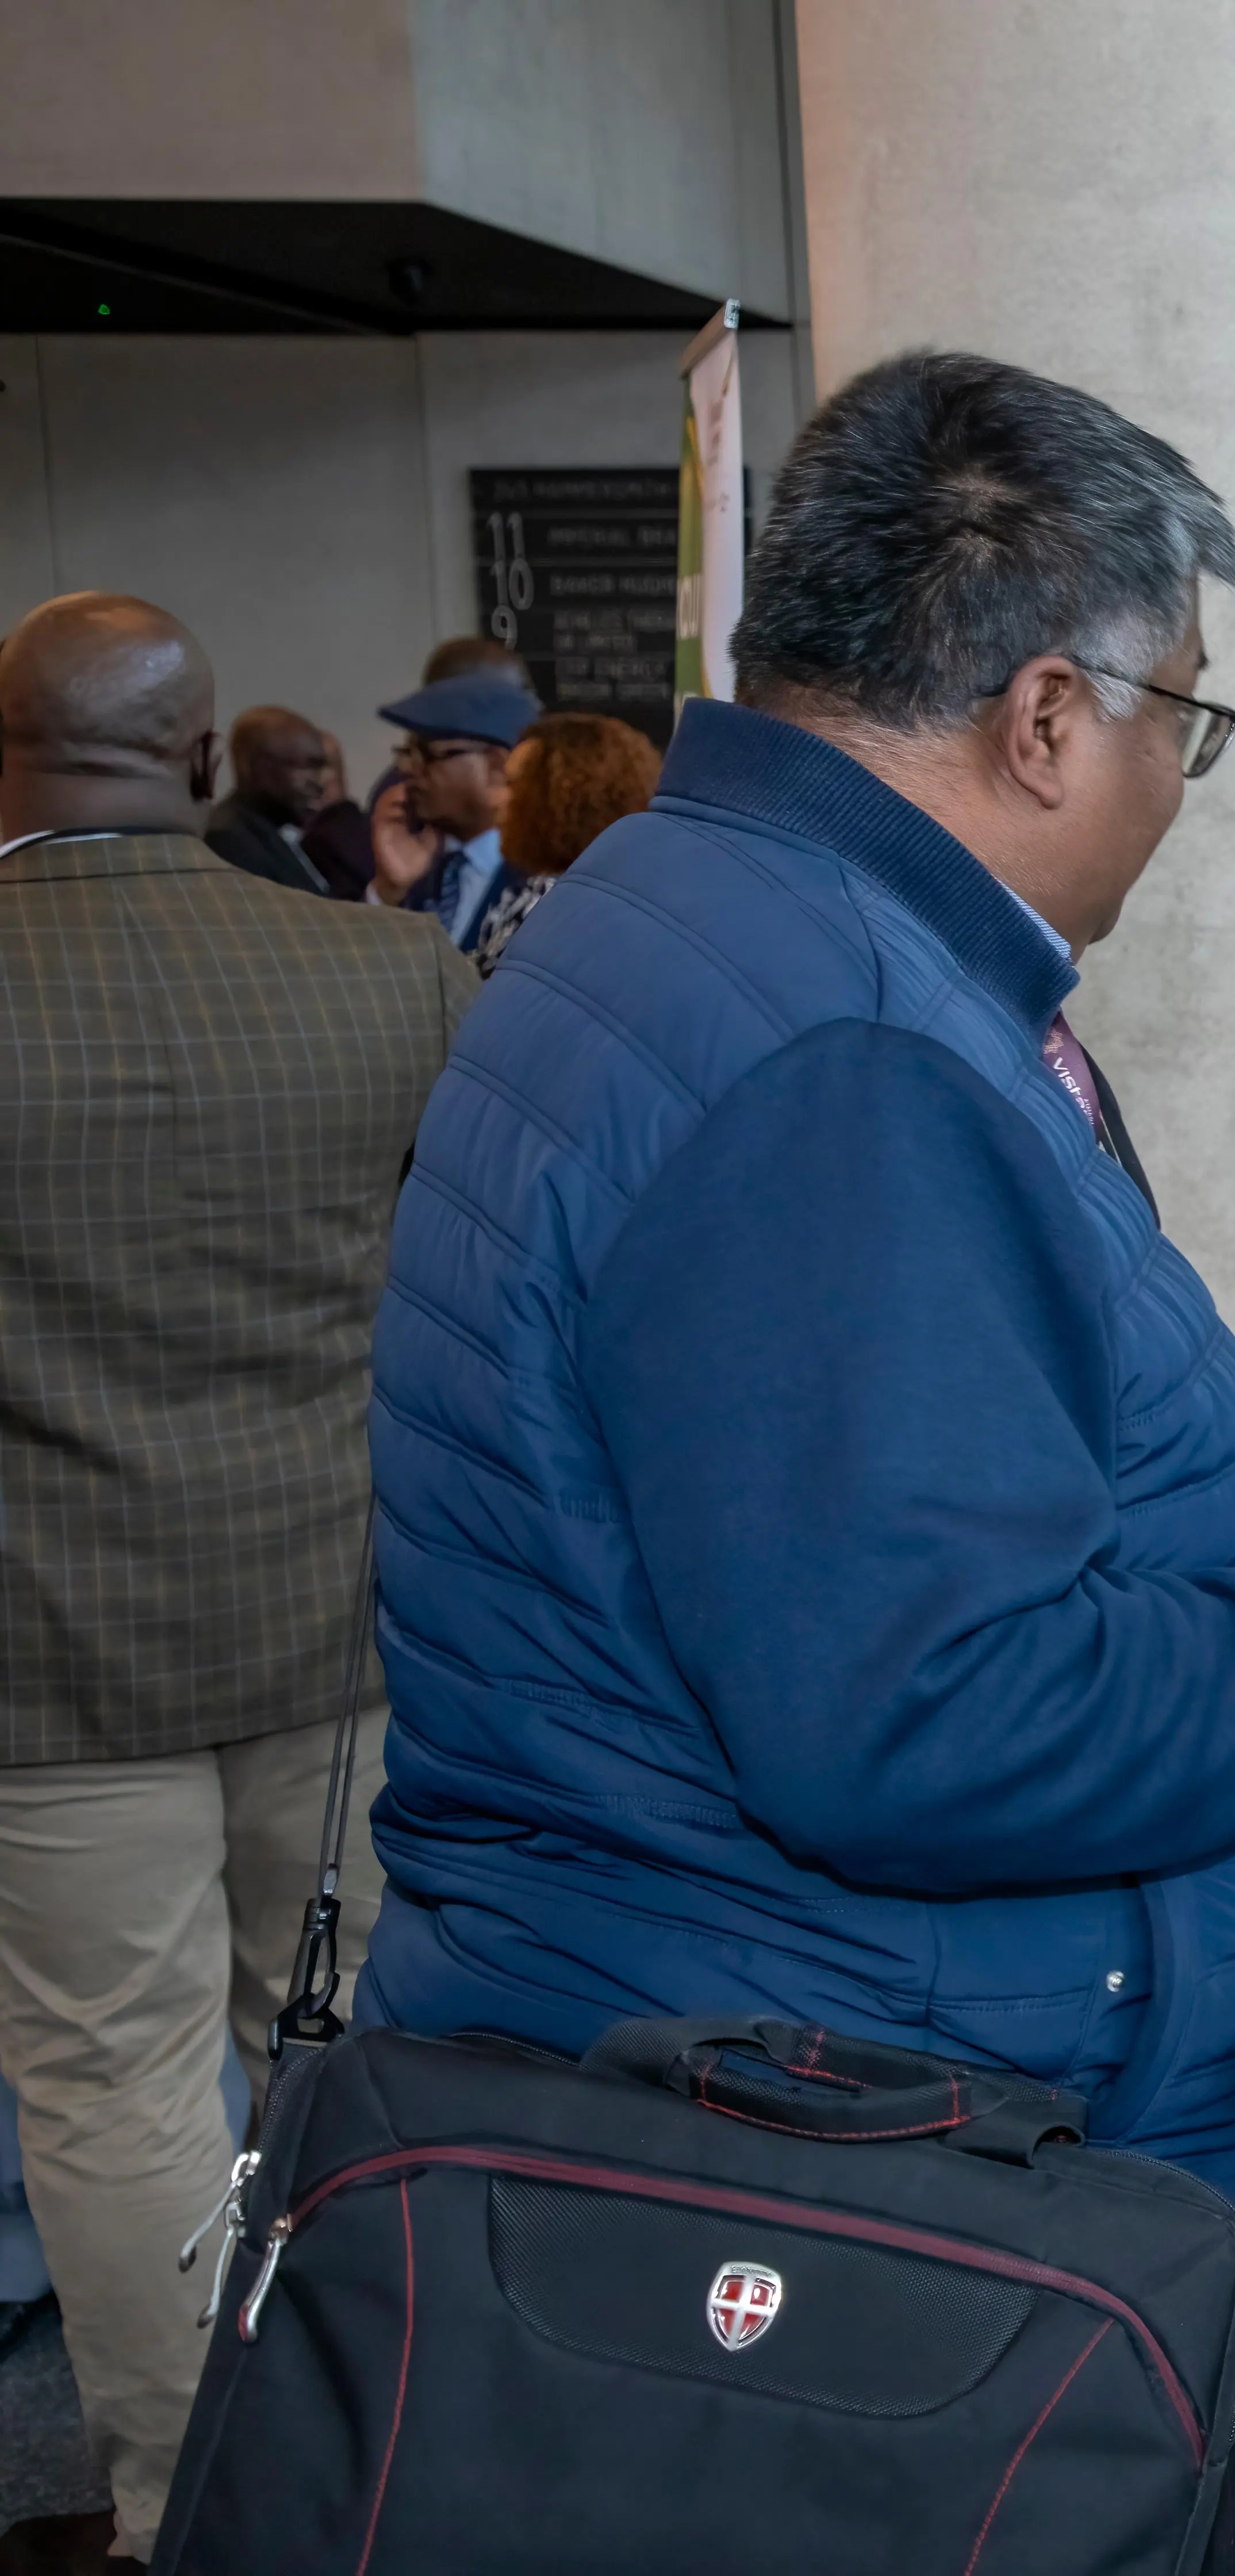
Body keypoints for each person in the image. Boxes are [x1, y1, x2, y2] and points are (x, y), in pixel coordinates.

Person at [355, 354, 1235, 2452]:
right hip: (841, 2203)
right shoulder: (835, 1054)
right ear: (1043, 717)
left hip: (753, 2107)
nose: (1176, 785)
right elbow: (921, 1716)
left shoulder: (700, 918)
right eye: (1176, 719)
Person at [0, 594, 469, 2573]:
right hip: (340, 1632)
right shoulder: (390, 985)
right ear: (201, 762)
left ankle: (189, 2512)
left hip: (46, 1666)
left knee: (112, 2081)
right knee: (367, 2060)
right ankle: (404, 2466)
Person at [468, 707, 658, 971]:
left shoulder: (541, 904)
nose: (498, 800)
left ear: (563, 802)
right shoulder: (641, 898)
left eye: (514, 785)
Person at [361, 665, 536, 948]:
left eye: (429, 755)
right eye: (407, 753)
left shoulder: (547, 876)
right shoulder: (420, 868)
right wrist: (388, 892)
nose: (408, 768)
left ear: (496, 767)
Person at [198, 706, 352, 896]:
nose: (320, 783)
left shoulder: (272, 834)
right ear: (255, 766)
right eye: (308, 768)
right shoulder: (229, 840)